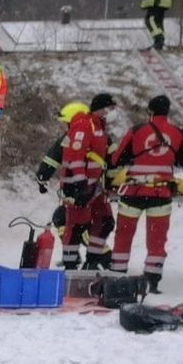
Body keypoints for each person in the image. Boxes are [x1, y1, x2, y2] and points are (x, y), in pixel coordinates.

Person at [109, 95, 183, 292]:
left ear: (150, 111)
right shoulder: (179, 133)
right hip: (161, 194)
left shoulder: (136, 130)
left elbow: (116, 158)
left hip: (133, 192)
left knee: (123, 235)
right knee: (157, 239)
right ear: (167, 112)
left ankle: (118, 276)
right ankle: (152, 280)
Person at [62, 94, 118, 270]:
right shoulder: (84, 125)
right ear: (100, 109)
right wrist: (79, 185)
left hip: (95, 187)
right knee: (78, 226)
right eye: (109, 108)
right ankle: (70, 266)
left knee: (105, 222)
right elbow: (75, 157)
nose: (112, 112)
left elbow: (104, 158)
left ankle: (92, 261)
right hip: (78, 185)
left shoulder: (100, 128)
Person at [36, 102, 88, 267]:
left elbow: (52, 159)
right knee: (71, 221)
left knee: (70, 222)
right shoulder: (98, 135)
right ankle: (73, 256)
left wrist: (42, 179)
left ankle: (100, 256)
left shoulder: (69, 138)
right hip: (92, 190)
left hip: (75, 191)